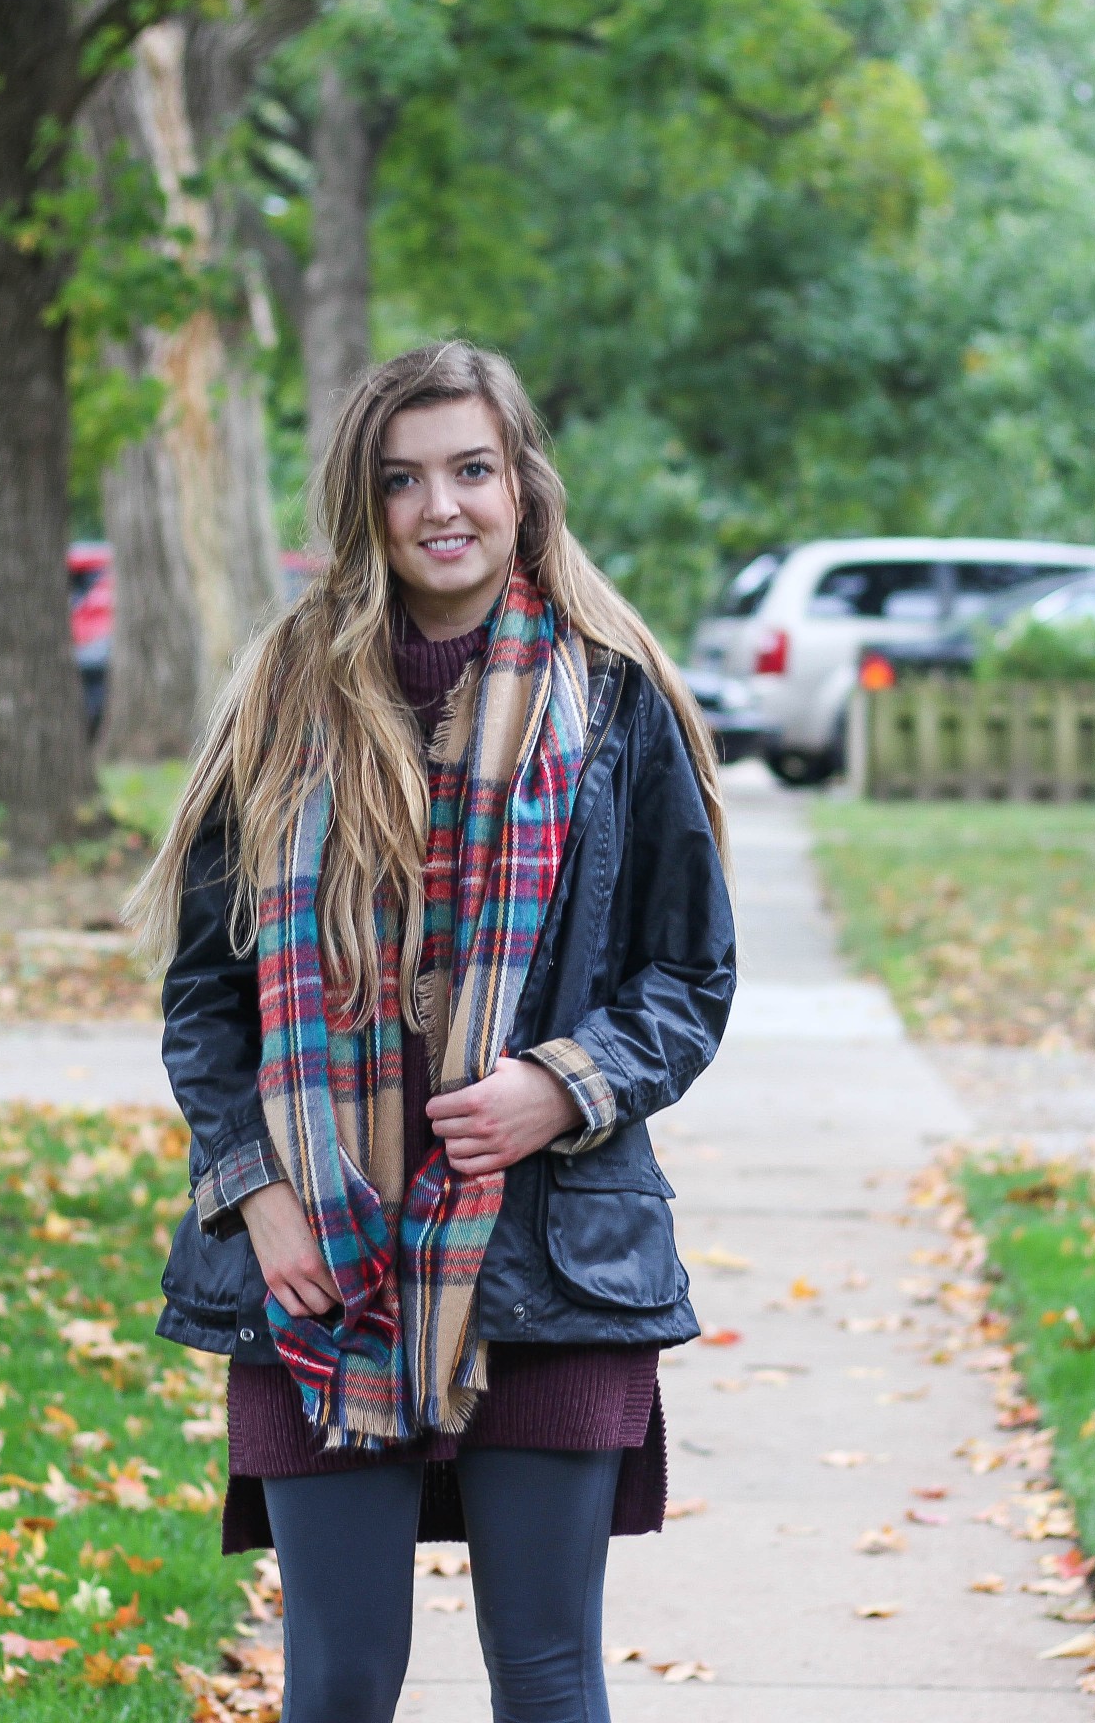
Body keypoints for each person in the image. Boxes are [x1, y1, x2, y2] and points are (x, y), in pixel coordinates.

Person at [130, 340, 736, 1722]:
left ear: (523, 486)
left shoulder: (613, 701)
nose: (440, 506)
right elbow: (208, 997)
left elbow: (688, 979)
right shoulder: (284, 701)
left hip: (548, 1260)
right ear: (365, 502)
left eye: (471, 469)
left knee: (544, 1675)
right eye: (403, 479)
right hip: (321, 1271)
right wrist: (255, 1192)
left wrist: (558, 1087)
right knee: (339, 1683)